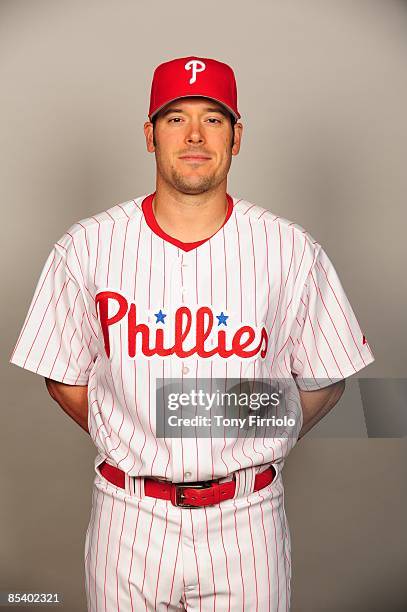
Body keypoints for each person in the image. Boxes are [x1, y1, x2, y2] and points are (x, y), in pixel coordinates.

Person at [9, 55, 375, 611]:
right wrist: (134, 428)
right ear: (150, 135)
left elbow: (326, 378)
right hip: (127, 517)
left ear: (237, 135)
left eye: (214, 118)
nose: (196, 134)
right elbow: (63, 377)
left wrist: (233, 430)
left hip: (246, 520)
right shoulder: (87, 246)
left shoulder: (289, 248)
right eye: (176, 117)